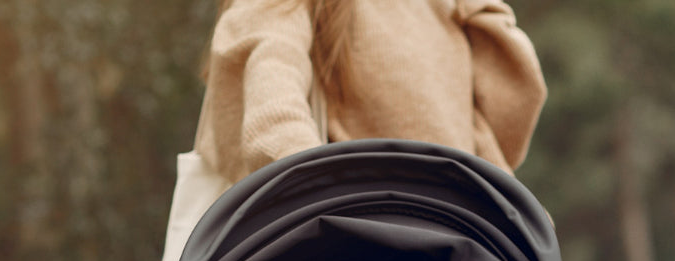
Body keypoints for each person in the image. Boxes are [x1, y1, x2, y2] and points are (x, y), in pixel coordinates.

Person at [195, 0, 547, 184]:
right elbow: (272, 107)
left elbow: (508, 115)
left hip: (454, 250)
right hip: (349, 258)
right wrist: (324, 192)